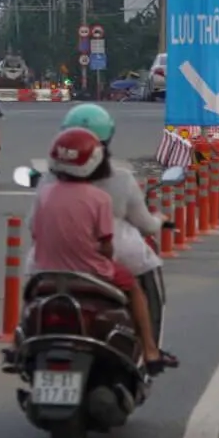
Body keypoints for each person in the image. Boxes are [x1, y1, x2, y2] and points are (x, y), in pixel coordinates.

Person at [28, 127, 168, 375]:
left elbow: (34, 231)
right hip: (91, 271)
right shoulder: (99, 198)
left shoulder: (45, 192)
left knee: (29, 296)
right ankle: (150, 350)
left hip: (45, 270)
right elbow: (106, 246)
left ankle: (22, 340)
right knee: (135, 290)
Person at [57, 103, 179, 368]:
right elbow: (139, 228)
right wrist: (160, 220)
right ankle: (150, 350)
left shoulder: (49, 182)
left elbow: (34, 225)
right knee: (144, 284)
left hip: (51, 261)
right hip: (106, 260)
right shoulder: (118, 181)